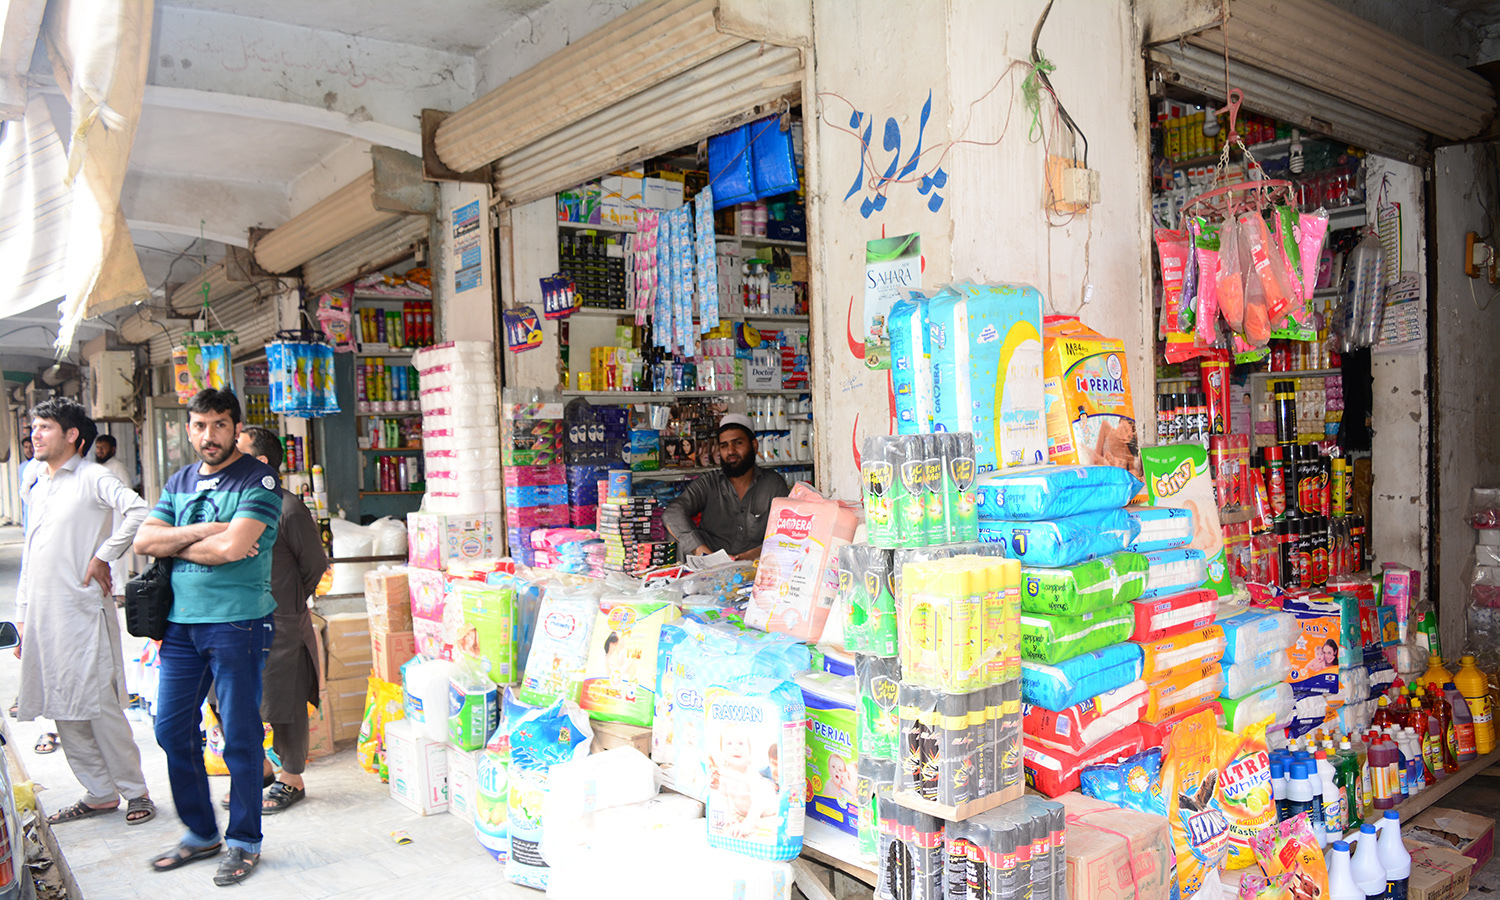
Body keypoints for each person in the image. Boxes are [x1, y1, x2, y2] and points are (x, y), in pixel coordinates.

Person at [132, 389, 280, 887]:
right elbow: (143, 540)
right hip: (179, 626)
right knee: (171, 729)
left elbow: (233, 549)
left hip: (237, 623)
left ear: (235, 428)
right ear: (188, 429)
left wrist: (180, 542)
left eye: (219, 425)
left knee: (239, 737)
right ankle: (201, 833)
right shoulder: (179, 480)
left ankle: (244, 841)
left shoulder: (258, 479)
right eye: (199, 426)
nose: (208, 436)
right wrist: (207, 532)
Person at [15, 398, 155, 826]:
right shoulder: (36, 480)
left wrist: (103, 556)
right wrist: (23, 613)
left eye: (45, 427)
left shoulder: (94, 476)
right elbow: (31, 550)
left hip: (82, 610)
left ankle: (136, 793)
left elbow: (138, 511)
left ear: (72, 435)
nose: (35, 434)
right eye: (34, 427)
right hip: (42, 612)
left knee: (99, 704)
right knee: (63, 704)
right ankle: (98, 793)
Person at [235, 426, 326, 815]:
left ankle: (292, 777)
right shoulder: (235, 505)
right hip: (240, 617)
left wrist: (287, 600)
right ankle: (264, 769)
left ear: (260, 463)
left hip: (281, 617)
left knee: (285, 699)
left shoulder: (288, 507)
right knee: (239, 698)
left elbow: (316, 564)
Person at [663, 413, 790, 561]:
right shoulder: (709, 482)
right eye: (724, 446)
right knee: (677, 529)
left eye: (738, 443)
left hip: (754, 566)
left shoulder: (773, 484)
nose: (730, 451)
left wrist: (743, 558)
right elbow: (672, 512)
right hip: (709, 567)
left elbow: (785, 536)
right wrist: (702, 552)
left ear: (754, 446)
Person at [94, 434, 135, 597]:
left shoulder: (117, 467)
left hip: (118, 518)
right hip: (105, 519)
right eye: (98, 447)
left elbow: (128, 492)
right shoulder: (99, 468)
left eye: (103, 447)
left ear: (113, 449)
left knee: (117, 556)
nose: (100, 451)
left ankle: (119, 592)